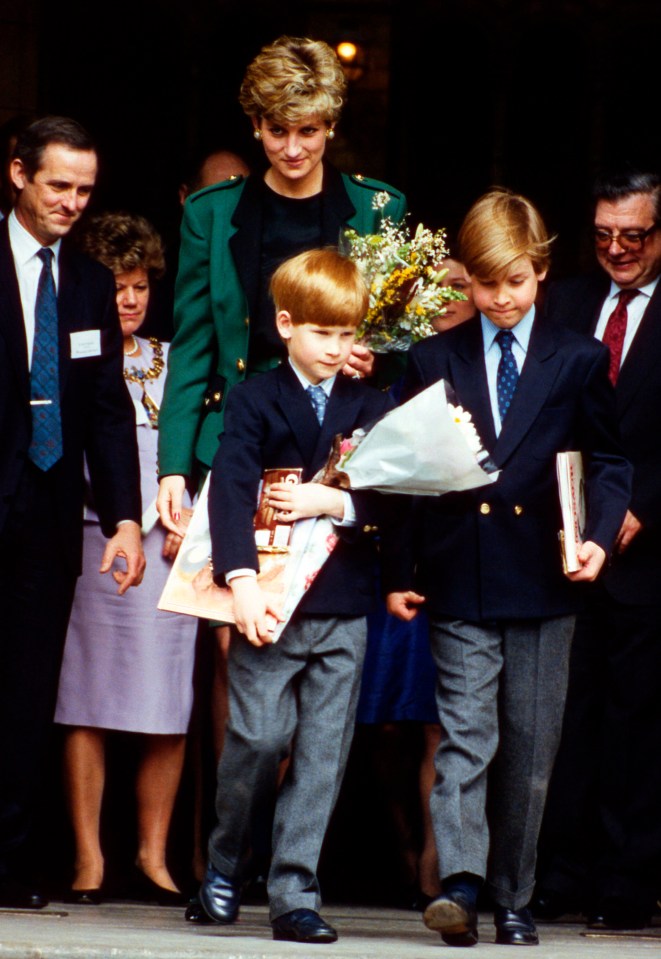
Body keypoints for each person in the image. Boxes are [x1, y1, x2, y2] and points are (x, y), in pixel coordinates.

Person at [384, 189, 631, 947]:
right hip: (460, 574)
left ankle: (514, 895)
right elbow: (402, 472)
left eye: (514, 283)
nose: (499, 299)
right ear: (467, 278)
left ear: (540, 272)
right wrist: (399, 567)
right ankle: (460, 882)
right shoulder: (433, 356)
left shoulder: (579, 357)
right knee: (464, 735)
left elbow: (610, 458)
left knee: (528, 750)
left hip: (546, 579)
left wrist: (596, 536)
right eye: (485, 284)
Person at [199, 248, 393, 944]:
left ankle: (294, 891)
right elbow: (228, 487)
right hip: (271, 602)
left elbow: (394, 495)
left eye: (347, 333)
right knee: (256, 738)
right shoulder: (254, 397)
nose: (337, 347)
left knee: (321, 752)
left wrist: (332, 501)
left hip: (343, 604)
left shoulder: (373, 402)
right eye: (322, 332)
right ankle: (224, 859)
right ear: (285, 324)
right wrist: (240, 582)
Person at [156, 34, 406, 533]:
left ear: (331, 126)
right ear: (255, 125)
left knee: (331, 604)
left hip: (338, 444)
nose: (292, 149)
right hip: (236, 437)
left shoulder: (377, 209)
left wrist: (374, 356)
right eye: (277, 130)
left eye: (308, 130)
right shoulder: (212, 211)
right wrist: (173, 467)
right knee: (228, 596)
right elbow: (193, 344)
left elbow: (398, 340)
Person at [0, 116, 145, 909]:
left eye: (85, 189)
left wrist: (123, 518)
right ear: (18, 173)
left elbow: (108, 411)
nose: (73, 202)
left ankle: (8, 857)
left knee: (27, 690)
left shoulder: (89, 282)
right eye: (59, 185)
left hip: (51, 512)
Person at [53, 213, 197, 905]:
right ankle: (88, 858)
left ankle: (154, 855)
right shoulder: (71, 350)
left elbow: (198, 449)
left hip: (171, 546)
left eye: (139, 286)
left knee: (168, 703)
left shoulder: (176, 360)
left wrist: (189, 515)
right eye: (115, 287)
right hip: (91, 535)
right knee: (84, 699)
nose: (129, 300)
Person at [534, 169, 661, 930]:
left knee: (637, 722)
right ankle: (560, 874)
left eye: (634, 236)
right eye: (604, 234)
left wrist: (643, 505)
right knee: (564, 717)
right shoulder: (571, 302)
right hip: (568, 543)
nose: (616, 249)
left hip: (648, 555)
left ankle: (627, 880)